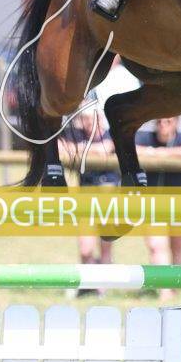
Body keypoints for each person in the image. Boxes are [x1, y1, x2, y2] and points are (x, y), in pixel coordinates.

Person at [135, 116, 181, 301]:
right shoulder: (145, 136)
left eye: (168, 121)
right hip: (152, 203)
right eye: (159, 121)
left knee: (176, 248)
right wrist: (155, 152)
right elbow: (130, 150)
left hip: (180, 201)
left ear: (176, 122)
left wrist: (160, 154)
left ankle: (175, 287)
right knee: (156, 246)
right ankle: (165, 290)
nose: (163, 125)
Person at [60, 108, 118, 296]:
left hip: (108, 195)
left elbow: (104, 150)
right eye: (84, 119)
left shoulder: (111, 134)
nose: (88, 123)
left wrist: (78, 149)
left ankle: (102, 288)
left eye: (91, 119)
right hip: (86, 196)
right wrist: (84, 148)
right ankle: (90, 283)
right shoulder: (77, 134)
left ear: (100, 119)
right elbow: (60, 148)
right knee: (85, 249)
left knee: (106, 247)